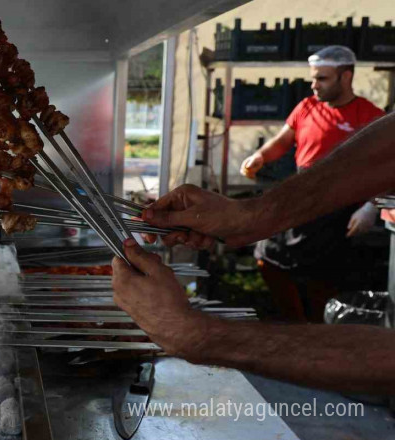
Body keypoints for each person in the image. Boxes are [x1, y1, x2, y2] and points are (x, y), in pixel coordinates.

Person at [111, 111, 395, 394]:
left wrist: (199, 336)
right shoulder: (306, 108)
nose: (315, 84)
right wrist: (250, 216)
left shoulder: (364, 107)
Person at [238, 46, 385, 322]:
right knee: (266, 256)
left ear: (346, 77)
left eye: (322, 78)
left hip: (339, 205)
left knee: (322, 278)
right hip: (302, 195)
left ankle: (319, 329)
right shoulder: (306, 107)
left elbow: (385, 167)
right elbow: (282, 140)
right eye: (313, 78)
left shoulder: (369, 116)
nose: (314, 85)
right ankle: (295, 321)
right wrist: (259, 156)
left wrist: (370, 206)